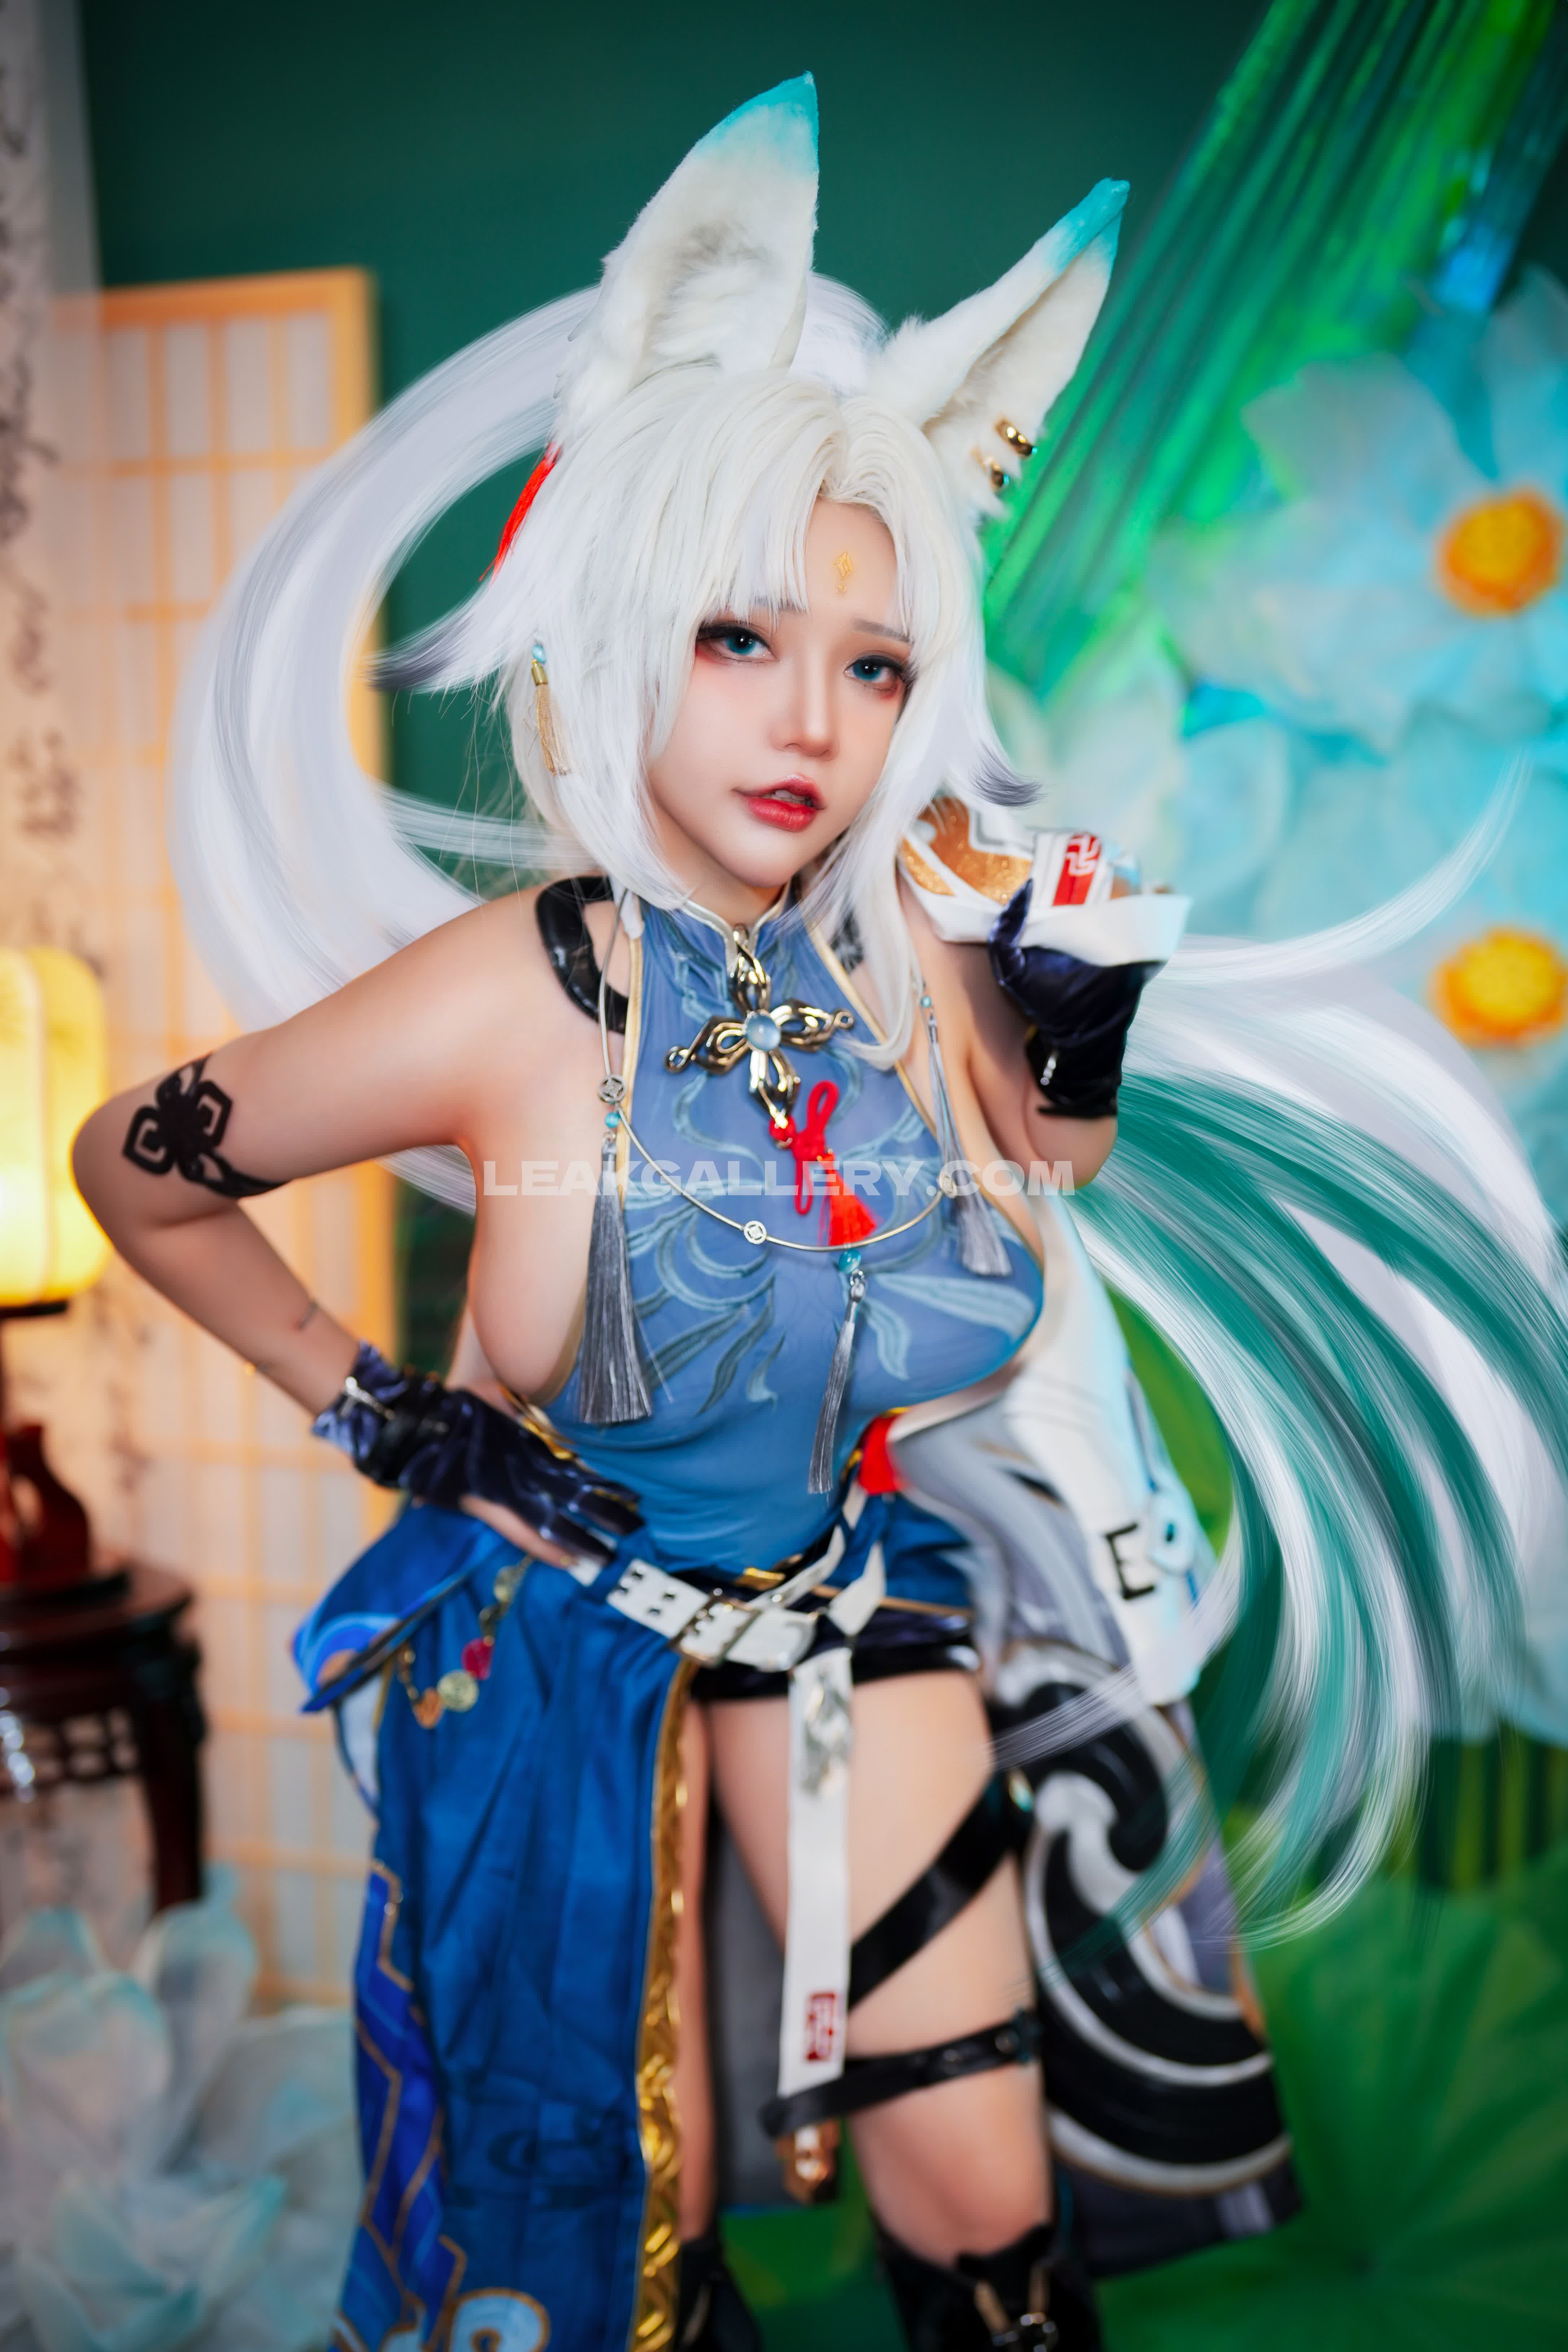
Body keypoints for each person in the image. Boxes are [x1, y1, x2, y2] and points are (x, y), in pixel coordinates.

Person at [73, 77, 1568, 2352]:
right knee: (610, 2233)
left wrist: (1072, 1012)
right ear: (620, 625)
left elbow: (1031, 1186)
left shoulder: (885, 959)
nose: (813, 723)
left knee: (985, 2193)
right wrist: (369, 1406)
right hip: (557, 1661)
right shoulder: (516, 985)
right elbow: (136, 1163)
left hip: (845, 1614)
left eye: (871, 666)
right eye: (740, 641)